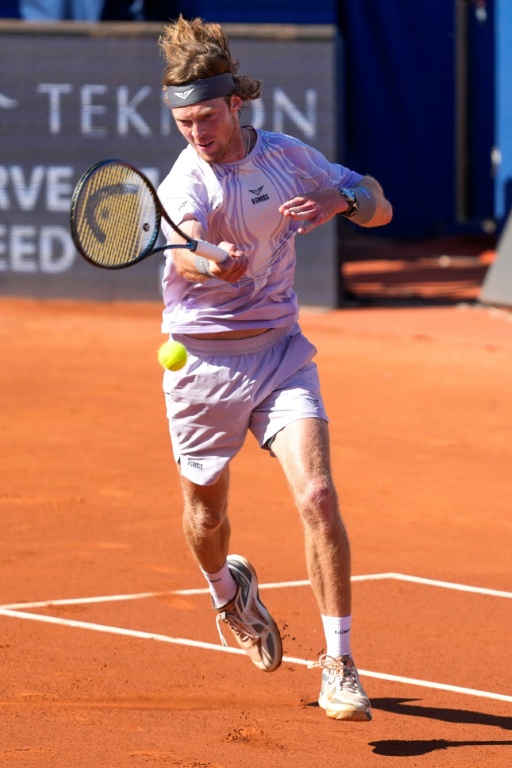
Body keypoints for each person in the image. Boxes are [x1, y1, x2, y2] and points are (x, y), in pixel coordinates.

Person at [157, 15, 392, 721]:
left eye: (206, 118)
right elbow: (179, 251)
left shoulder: (287, 156)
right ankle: (228, 591)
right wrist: (208, 260)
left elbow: (380, 204)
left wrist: (341, 198)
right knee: (206, 514)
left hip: (281, 353)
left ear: (236, 102)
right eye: (184, 123)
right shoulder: (186, 182)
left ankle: (340, 666)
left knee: (318, 495)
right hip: (200, 363)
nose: (197, 134)